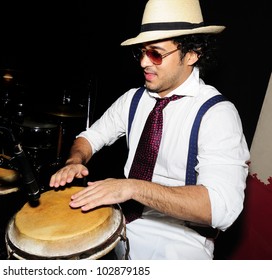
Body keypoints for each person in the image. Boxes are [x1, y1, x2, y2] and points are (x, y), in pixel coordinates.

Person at [49, 0, 250, 260]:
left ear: (192, 53)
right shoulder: (134, 99)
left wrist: (133, 188)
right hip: (122, 226)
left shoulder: (217, 114)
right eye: (141, 52)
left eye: (156, 53)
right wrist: (75, 160)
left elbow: (221, 207)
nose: (144, 62)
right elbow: (90, 137)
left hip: (181, 243)